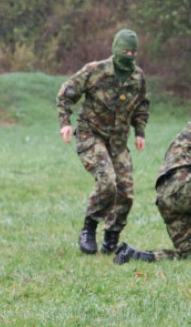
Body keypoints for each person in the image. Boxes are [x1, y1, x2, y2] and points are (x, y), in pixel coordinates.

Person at [58, 28, 150, 255]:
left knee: (126, 192)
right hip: (91, 135)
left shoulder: (137, 77)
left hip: (118, 142)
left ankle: (111, 239)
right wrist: (65, 122)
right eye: (125, 51)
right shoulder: (95, 71)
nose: (129, 56)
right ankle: (89, 227)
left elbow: (142, 105)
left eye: (133, 52)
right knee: (108, 181)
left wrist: (140, 131)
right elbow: (66, 94)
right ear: (115, 49)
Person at [114, 97, 191, 265]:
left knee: (188, 255)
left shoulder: (185, 134)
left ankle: (132, 254)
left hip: (165, 196)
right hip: (185, 184)